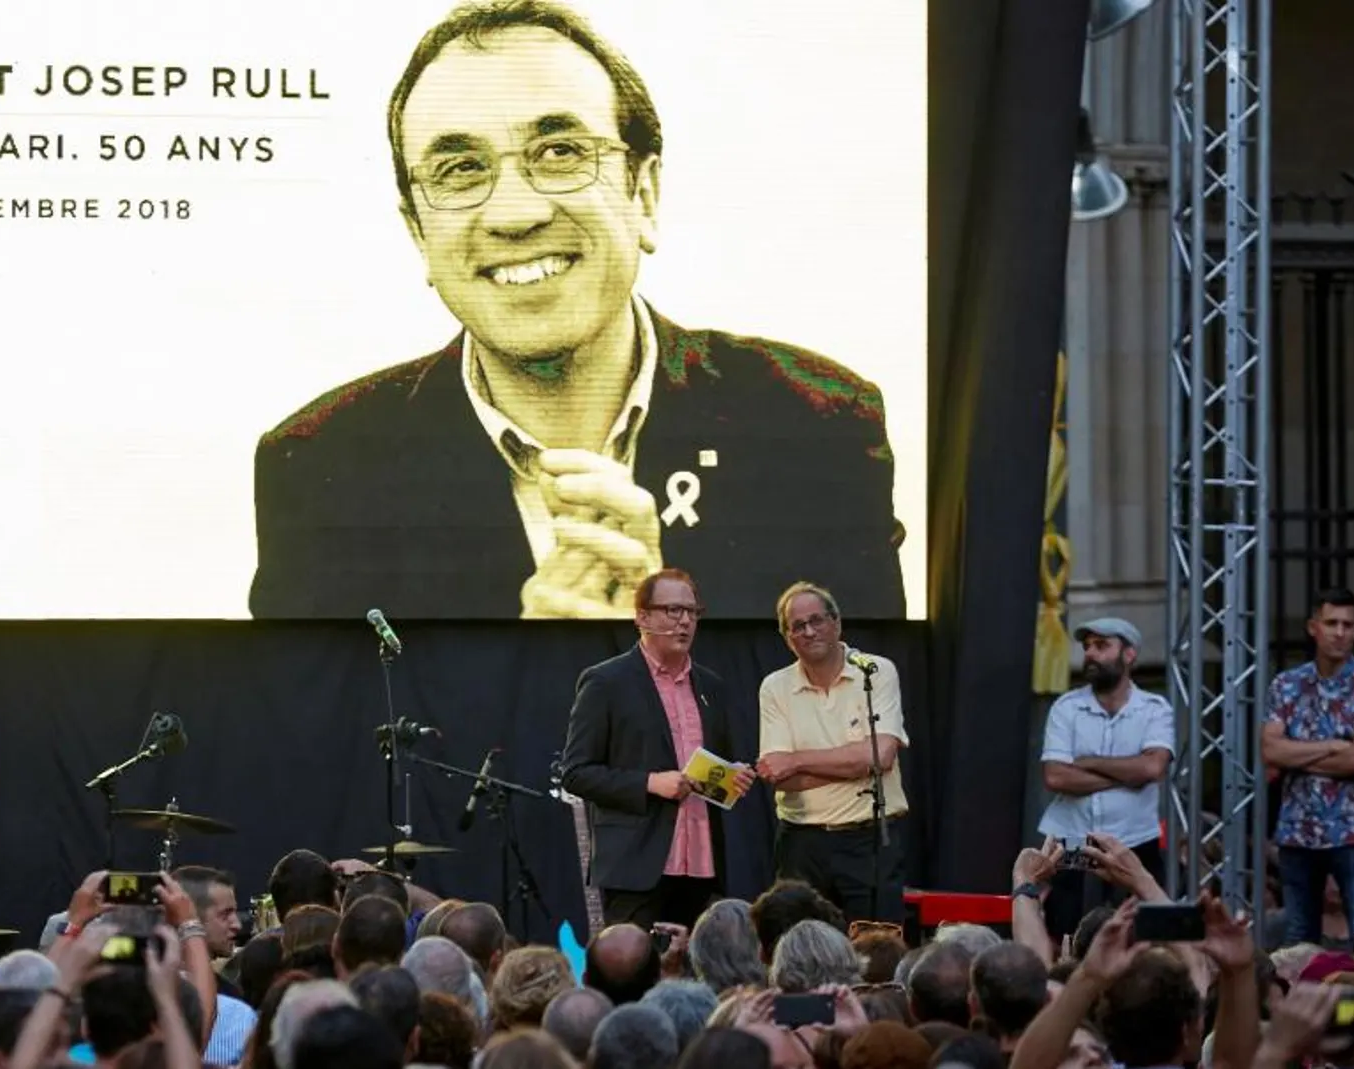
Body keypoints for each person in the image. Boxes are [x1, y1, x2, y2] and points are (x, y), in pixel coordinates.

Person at [248, 0, 905, 621]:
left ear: (643, 193)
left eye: (560, 153)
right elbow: (317, 737)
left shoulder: (814, 427)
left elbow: (869, 726)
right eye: (460, 169)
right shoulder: (320, 467)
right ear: (419, 233)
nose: (515, 213)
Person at [560, 568, 756, 926]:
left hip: (702, 864)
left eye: (692, 612)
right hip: (636, 865)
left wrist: (732, 777)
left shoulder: (711, 686)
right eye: (673, 611)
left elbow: (711, 764)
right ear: (642, 617)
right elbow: (575, 773)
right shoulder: (607, 682)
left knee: (695, 975)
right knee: (635, 972)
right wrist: (650, 783)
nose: (684, 622)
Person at [756, 581, 909, 922]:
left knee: (874, 951)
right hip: (801, 844)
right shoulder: (774, 687)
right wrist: (854, 762)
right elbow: (781, 780)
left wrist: (797, 759)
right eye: (798, 626)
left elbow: (881, 757)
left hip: (868, 840)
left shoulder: (875, 671)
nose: (809, 631)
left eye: (817, 620)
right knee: (798, 956)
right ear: (787, 637)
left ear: (837, 623)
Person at [1036, 618, 1174, 936]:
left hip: (1135, 837)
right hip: (1072, 835)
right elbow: (1056, 777)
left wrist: (1087, 762)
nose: (1091, 655)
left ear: (1128, 654)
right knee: (1066, 927)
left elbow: (1153, 769)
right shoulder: (1066, 708)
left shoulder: (1154, 709)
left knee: (1143, 931)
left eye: (1102, 646)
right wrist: (1129, 775)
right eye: (1087, 647)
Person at [1262, 587, 1354, 944]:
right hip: (1298, 830)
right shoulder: (1286, 685)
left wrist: (1300, 755)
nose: (1340, 632)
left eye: (1348, 625)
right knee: (1298, 942)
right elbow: (1271, 752)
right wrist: (1332, 746)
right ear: (1313, 627)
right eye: (1331, 623)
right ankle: (1296, 1002)